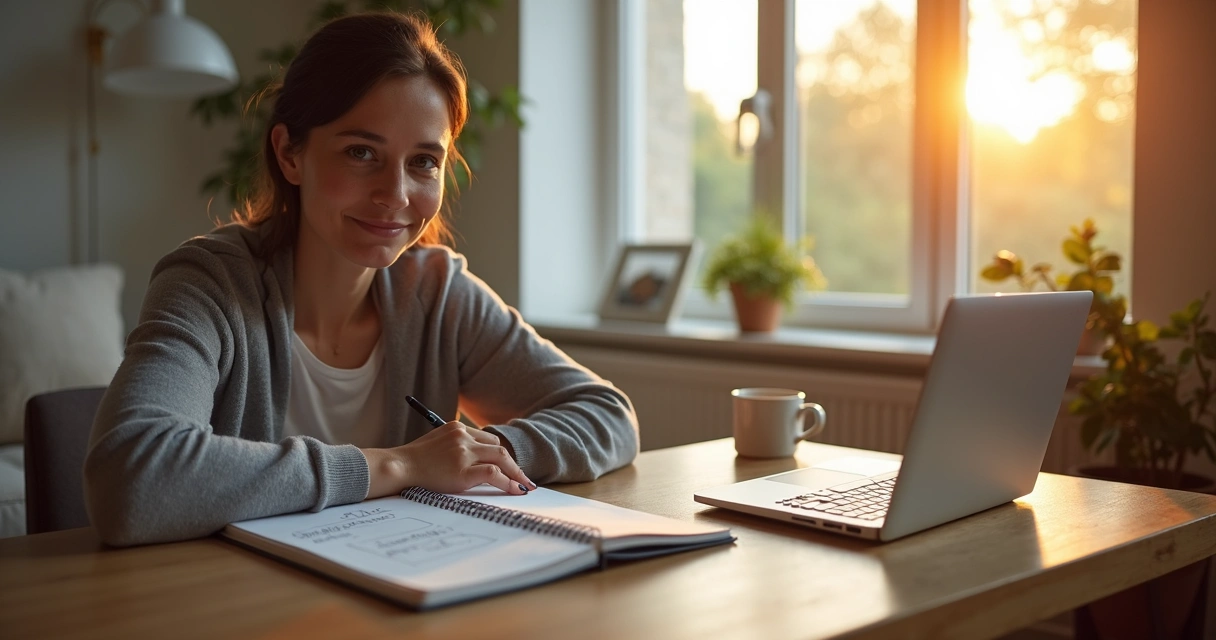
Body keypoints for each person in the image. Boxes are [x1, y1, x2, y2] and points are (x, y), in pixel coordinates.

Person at [83, 11, 639, 547]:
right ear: (289, 154)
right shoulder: (210, 285)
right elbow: (130, 477)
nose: (394, 195)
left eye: (423, 161)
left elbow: (608, 415)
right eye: (361, 152)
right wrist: (399, 465)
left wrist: (481, 452)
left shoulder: (438, 293)